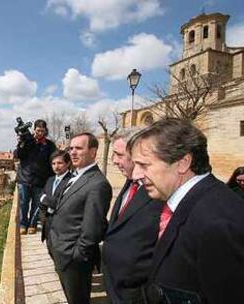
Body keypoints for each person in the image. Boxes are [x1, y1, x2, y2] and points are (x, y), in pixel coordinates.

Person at [128, 118, 244, 304]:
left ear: (183, 163)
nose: (136, 175)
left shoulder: (217, 223)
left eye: (144, 165)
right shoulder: (187, 203)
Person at [48, 133, 112, 304]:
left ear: (93, 152)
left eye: (79, 148)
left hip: (73, 260)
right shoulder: (76, 177)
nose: (73, 152)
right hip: (61, 251)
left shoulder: (98, 184)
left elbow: (93, 229)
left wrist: (75, 256)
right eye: (71, 148)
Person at [102, 128, 162, 304]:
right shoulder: (130, 181)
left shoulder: (159, 190)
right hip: (115, 284)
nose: (114, 161)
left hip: (138, 292)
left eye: (119, 155)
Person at [14, 119, 56, 235]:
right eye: (38, 131)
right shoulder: (27, 141)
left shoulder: (50, 145)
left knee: (37, 205)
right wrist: (21, 143)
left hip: (41, 181)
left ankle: (32, 224)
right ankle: (23, 224)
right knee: (23, 204)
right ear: (34, 130)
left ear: (45, 131)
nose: (40, 133)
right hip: (25, 179)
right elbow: (17, 155)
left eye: (42, 131)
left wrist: (51, 180)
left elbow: (54, 161)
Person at [39, 150, 72, 247]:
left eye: (59, 163)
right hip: (47, 223)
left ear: (68, 163)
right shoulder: (50, 180)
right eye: (53, 163)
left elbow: (62, 204)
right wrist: (46, 201)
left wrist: (45, 200)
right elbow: (40, 197)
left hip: (61, 226)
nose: (56, 166)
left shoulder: (71, 181)